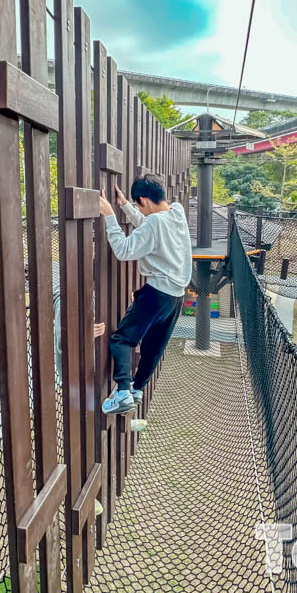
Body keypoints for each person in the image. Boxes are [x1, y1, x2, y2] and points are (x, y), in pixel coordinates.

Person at [98, 175, 192, 414]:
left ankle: (122, 393)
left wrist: (109, 215)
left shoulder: (154, 224)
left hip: (156, 293)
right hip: (176, 297)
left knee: (122, 339)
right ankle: (138, 389)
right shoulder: (177, 212)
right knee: (153, 346)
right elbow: (151, 225)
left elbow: (123, 250)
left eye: (138, 204)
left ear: (143, 200)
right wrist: (127, 208)